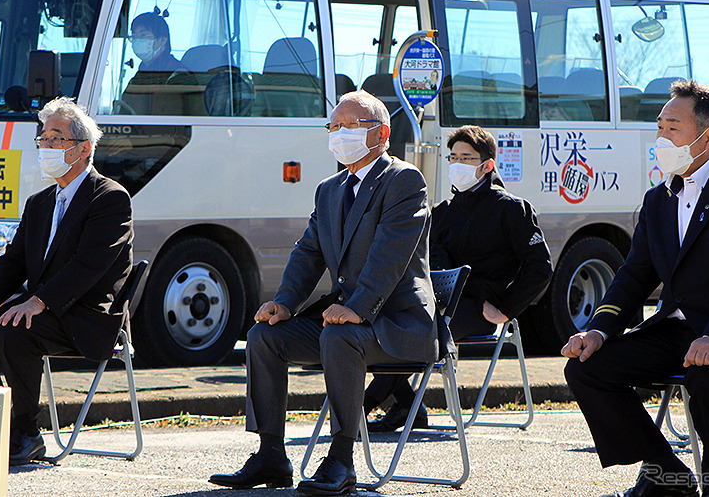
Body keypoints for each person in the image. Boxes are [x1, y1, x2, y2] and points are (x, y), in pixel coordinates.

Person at [208, 90, 436, 495]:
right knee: (264, 337)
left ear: (381, 133)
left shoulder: (404, 180)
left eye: (351, 126)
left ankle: (342, 459)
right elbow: (308, 253)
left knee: (340, 334)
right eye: (334, 126)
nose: (339, 134)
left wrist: (359, 307)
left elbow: (391, 255)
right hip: (346, 323)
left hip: (398, 325)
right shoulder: (329, 189)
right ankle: (271, 456)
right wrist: (284, 303)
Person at [563, 80, 709, 497]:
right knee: (587, 368)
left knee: (707, 370)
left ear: (708, 137)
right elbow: (634, 276)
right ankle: (663, 473)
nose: (660, 137)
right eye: (659, 127)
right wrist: (598, 331)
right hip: (674, 331)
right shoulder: (659, 199)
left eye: (671, 128)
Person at [0, 97, 133, 466]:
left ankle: (24, 433)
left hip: (86, 316)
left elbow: (88, 266)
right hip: (45, 311)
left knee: (18, 329)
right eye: (43, 138)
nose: (46, 146)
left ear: (84, 149)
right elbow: (14, 259)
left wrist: (38, 301)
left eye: (56, 138)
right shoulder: (40, 201)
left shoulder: (110, 198)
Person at [364, 124, 553, 432]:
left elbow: (540, 268)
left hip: (479, 308)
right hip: (437, 303)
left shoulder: (512, 210)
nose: (457, 164)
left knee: (422, 334)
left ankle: (359, 407)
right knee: (382, 326)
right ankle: (408, 407)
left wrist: (506, 309)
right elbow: (427, 259)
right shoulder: (444, 211)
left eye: (466, 157)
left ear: (487, 165)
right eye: (453, 157)